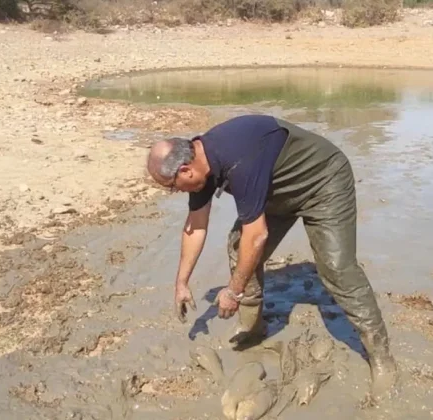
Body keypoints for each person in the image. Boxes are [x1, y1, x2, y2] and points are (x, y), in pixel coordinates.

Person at [146, 114, 398, 400]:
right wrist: (182, 282)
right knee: (238, 246)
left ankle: (381, 356)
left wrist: (233, 291)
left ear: (185, 170)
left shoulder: (238, 159)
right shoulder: (200, 164)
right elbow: (196, 226)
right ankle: (253, 327)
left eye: (171, 186)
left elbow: (258, 236)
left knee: (338, 269)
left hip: (323, 183)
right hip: (276, 192)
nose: (174, 192)